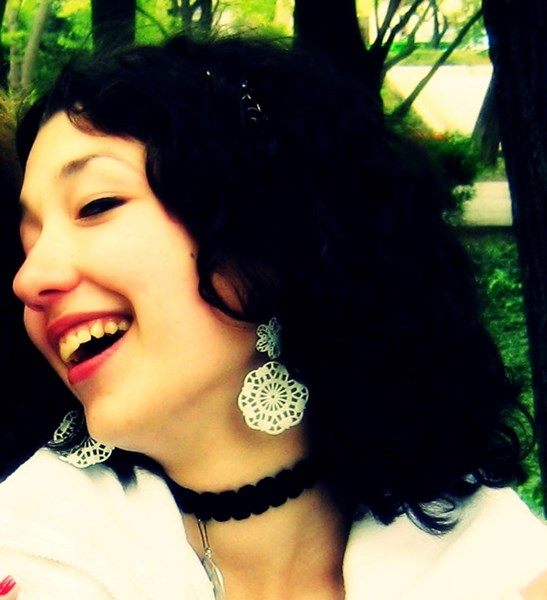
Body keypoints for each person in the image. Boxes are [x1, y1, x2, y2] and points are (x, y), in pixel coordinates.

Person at [0, 31, 546, 600]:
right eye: (27, 244)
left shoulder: (499, 562)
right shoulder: (31, 556)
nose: (29, 279)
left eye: (96, 204)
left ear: (268, 236)